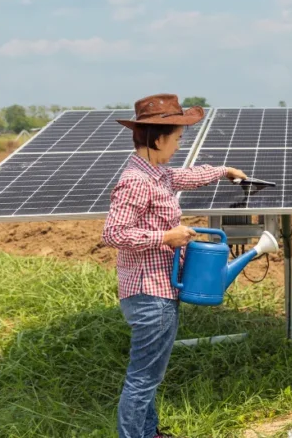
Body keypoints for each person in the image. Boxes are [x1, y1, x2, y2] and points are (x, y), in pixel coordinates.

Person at [102, 94, 247, 438]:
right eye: (178, 138)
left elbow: (187, 176)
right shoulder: (136, 181)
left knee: (149, 376)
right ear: (158, 137)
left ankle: (150, 433)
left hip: (157, 290)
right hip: (149, 294)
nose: (180, 145)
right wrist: (165, 238)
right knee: (142, 379)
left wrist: (223, 170)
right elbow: (113, 233)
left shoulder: (157, 174)